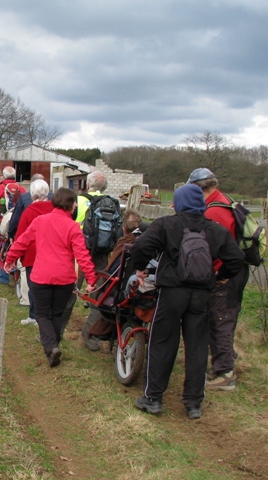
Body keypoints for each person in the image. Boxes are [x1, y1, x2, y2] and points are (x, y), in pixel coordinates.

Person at [132, 184, 244, 420]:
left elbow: (142, 246)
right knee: (197, 346)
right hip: (202, 294)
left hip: (172, 292)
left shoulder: (166, 224)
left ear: (179, 202)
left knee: (162, 342)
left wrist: (141, 268)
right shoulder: (214, 230)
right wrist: (220, 277)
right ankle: (193, 403)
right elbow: (236, 259)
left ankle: (153, 398)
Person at [4, 188, 97, 367]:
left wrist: (10, 259)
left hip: (41, 276)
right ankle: (53, 345)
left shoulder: (40, 221)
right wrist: (91, 279)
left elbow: (22, 242)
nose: (76, 205)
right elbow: (82, 255)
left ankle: (51, 346)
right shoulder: (73, 227)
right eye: (75, 202)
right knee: (56, 313)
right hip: (65, 278)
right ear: (70, 206)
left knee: (42, 314)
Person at [188, 167, 250, 391]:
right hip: (236, 270)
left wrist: (216, 275)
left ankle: (225, 373)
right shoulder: (225, 201)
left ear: (198, 188)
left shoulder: (214, 211)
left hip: (226, 273)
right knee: (225, 316)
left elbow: (215, 248)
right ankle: (225, 359)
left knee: (220, 319)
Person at [86, 209, 143, 341]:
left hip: (119, 291)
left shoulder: (124, 244)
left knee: (98, 294)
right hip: (140, 290)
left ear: (123, 228)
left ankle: (91, 336)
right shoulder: (147, 243)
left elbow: (112, 269)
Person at [78, 170, 112, 350]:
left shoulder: (80, 200)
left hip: (80, 250)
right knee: (98, 294)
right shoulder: (111, 202)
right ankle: (91, 335)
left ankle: (55, 334)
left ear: (87, 184)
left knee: (70, 289)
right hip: (102, 252)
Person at [13, 179, 54, 326]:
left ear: (32, 194)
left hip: (33, 254)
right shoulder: (55, 210)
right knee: (49, 287)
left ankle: (35, 316)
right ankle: (46, 316)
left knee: (34, 287)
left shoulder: (29, 212)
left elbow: (20, 236)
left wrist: (14, 256)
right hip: (52, 254)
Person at [7, 173, 49, 241]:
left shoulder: (28, 209)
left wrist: (11, 234)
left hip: (31, 243)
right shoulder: (55, 203)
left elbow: (16, 220)